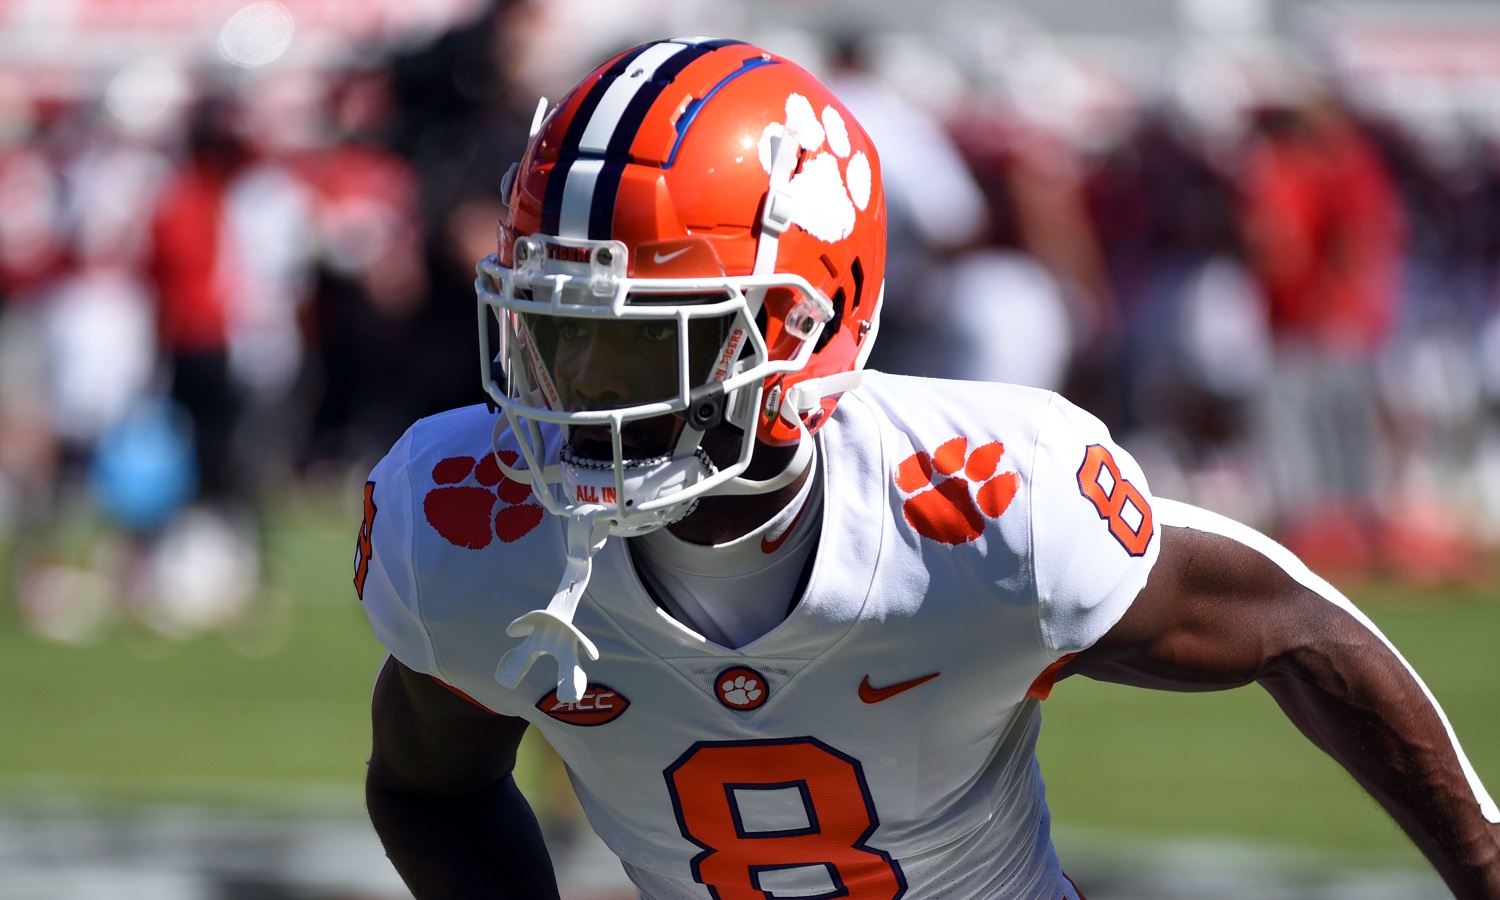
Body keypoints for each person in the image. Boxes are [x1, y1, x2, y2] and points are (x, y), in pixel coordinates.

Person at [355, 38, 1500, 899]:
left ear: (806, 327)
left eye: (642, 340)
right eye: (556, 336)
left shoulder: (988, 501)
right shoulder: (464, 526)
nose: (580, 396)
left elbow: (1299, 628)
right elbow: (426, 782)